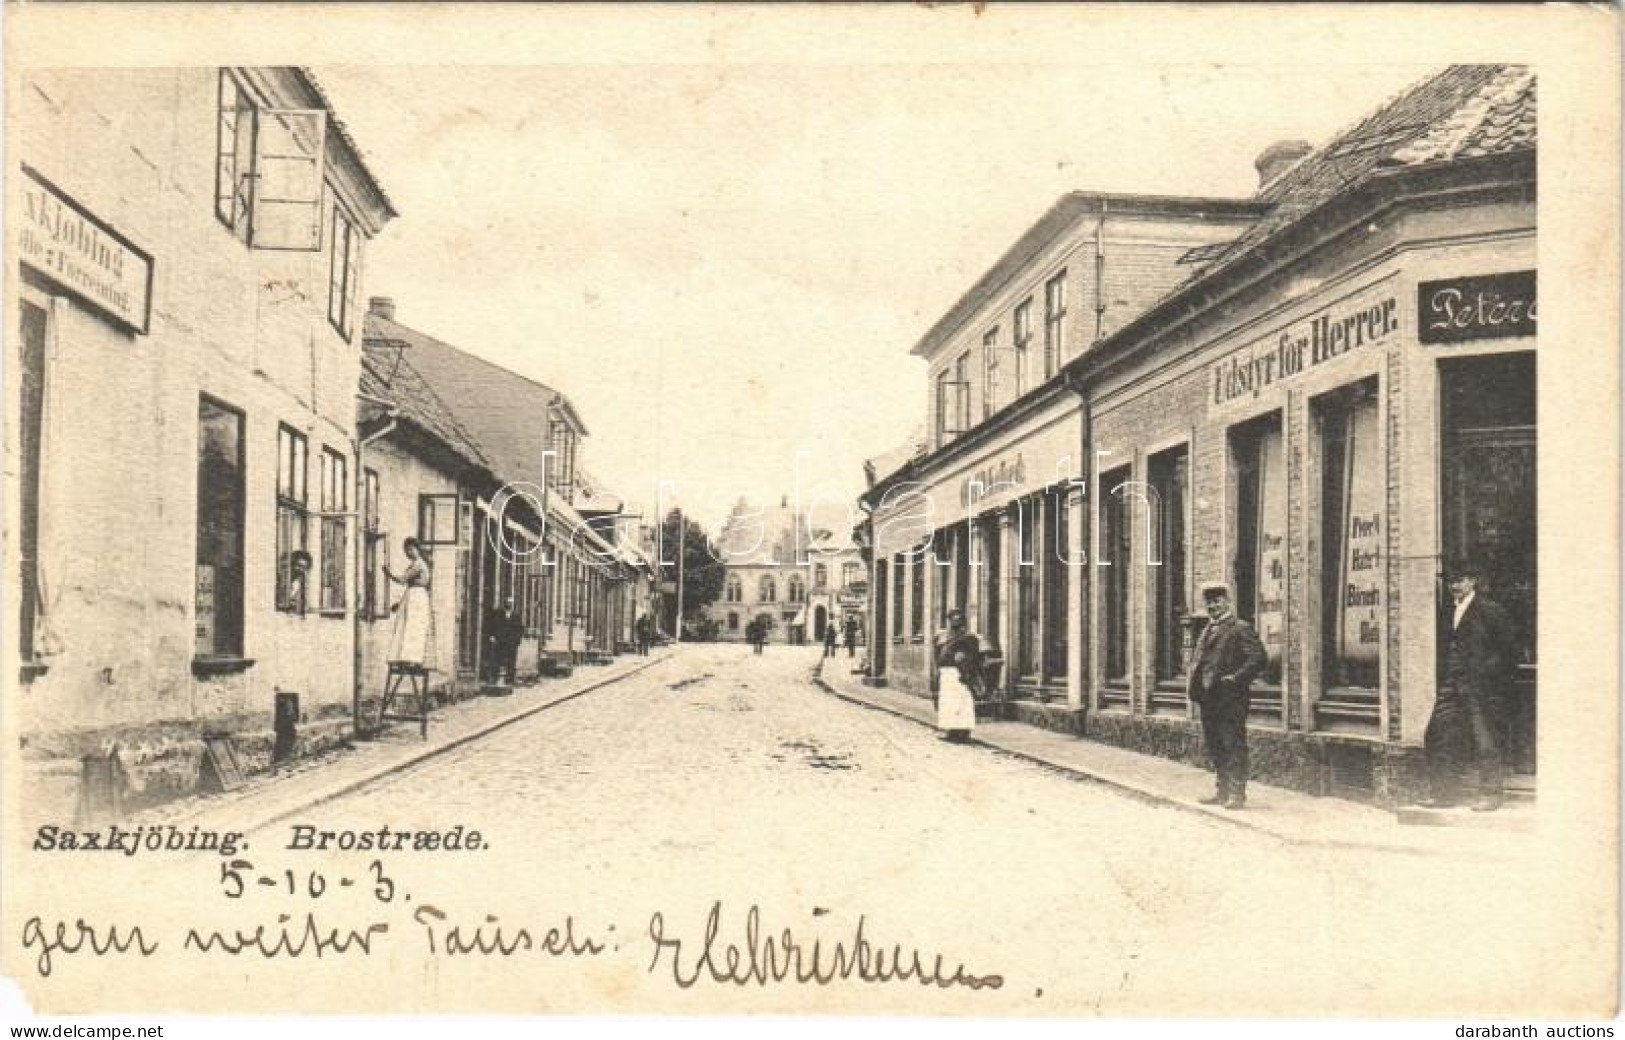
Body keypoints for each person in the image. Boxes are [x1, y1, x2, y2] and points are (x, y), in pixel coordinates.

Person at [1422, 562, 1516, 811]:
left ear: (1473, 581)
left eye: (1461, 580)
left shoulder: (1490, 610)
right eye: (1451, 580)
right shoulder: (1447, 612)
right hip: (1451, 686)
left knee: (1485, 741)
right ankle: (1444, 794)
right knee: (1437, 734)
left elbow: (1507, 652)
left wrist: (1485, 676)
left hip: (1480, 689)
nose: (1455, 585)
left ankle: (1491, 795)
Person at [1187, 581, 1267, 809]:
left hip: (1231, 699)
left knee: (1233, 744)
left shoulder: (1240, 628)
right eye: (1209, 602)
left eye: (1217, 601)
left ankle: (1237, 794)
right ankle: (1221, 791)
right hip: (1208, 698)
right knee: (1215, 745)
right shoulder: (1207, 629)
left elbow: (1259, 658)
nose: (1213, 606)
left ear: (1227, 602)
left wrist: (1235, 678)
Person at [384, 537, 437, 673]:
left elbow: (402, 580)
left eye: (410, 549)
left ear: (417, 549)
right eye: (406, 550)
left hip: (416, 597)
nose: (408, 552)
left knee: (413, 628)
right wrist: (400, 603)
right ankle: (407, 659)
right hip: (413, 596)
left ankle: (412, 659)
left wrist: (388, 574)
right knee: (408, 626)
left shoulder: (418, 564)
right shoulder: (417, 563)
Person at [934, 610, 981, 743]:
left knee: (962, 703)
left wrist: (966, 670)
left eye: (958, 620)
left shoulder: (969, 637)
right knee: (950, 704)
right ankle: (952, 731)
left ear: (963, 622)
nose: (955, 623)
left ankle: (963, 732)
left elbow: (973, 657)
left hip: (959, 674)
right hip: (947, 674)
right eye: (952, 620)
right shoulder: (946, 637)